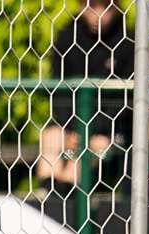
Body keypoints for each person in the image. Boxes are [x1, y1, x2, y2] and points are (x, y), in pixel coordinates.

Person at [36, 0, 134, 196]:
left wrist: (88, 133)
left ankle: (67, 201)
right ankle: (48, 196)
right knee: (51, 137)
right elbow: (59, 91)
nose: (98, 14)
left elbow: (126, 101)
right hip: (71, 127)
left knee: (90, 151)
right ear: (81, 6)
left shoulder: (128, 42)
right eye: (92, 6)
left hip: (109, 131)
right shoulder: (67, 37)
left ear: (116, 7)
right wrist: (70, 130)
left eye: (104, 7)